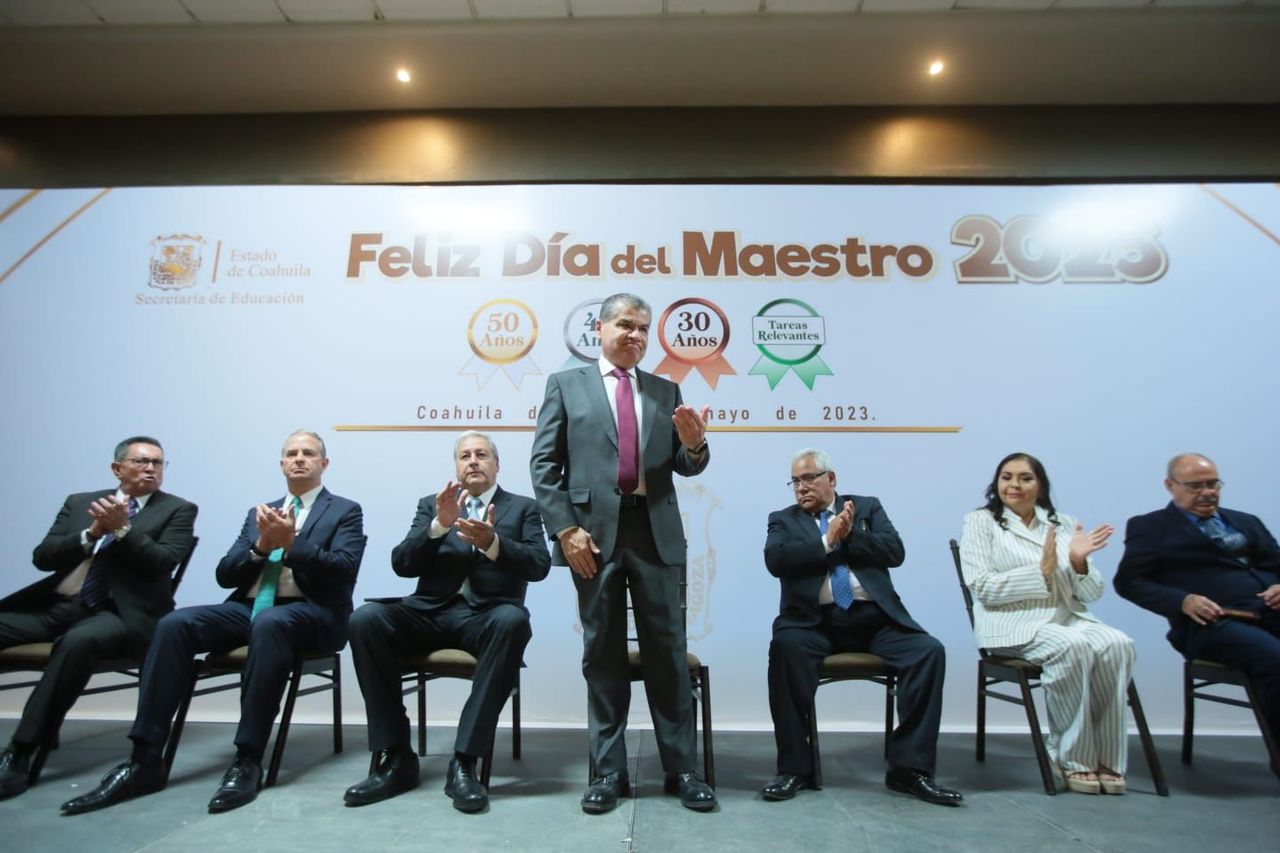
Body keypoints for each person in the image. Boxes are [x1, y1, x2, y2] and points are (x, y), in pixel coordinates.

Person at [60, 429, 365, 815]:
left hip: (312, 612)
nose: (299, 459)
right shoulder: (260, 512)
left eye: (308, 453)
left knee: (270, 624)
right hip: (250, 607)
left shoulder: (344, 510)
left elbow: (342, 569)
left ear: (324, 463)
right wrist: (261, 547)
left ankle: (248, 759)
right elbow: (225, 574)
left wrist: (292, 544)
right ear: (282, 464)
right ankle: (144, 759)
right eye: (292, 453)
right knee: (175, 624)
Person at [530, 292, 715, 813]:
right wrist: (565, 531)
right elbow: (544, 465)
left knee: (667, 652)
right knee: (603, 653)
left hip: (655, 533)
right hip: (591, 539)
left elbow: (686, 463)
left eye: (643, 329)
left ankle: (682, 770)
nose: (635, 335)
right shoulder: (565, 385)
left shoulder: (665, 388)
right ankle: (608, 772)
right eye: (626, 325)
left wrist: (695, 444)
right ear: (601, 328)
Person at [344, 431, 550, 813]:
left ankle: (465, 762)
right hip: (430, 613)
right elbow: (402, 564)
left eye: (481, 454)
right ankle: (396, 757)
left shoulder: (523, 508)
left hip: (486, 617)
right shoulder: (433, 505)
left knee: (513, 621)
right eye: (465, 456)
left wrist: (493, 543)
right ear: (456, 467)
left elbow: (539, 566)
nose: (473, 461)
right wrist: (438, 526)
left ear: (497, 464)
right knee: (365, 620)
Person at [0, 436, 196, 800]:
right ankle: (41, 729)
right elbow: (43, 557)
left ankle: (21, 751)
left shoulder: (177, 509)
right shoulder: (80, 503)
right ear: (117, 468)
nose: (151, 469)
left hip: (119, 614)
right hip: (57, 607)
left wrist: (122, 529)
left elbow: (162, 562)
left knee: (78, 642)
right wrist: (92, 533)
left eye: (158, 463)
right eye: (141, 461)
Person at [762, 448, 961, 806]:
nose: (801, 488)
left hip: (875, 620)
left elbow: (895, 552)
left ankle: (909, 769)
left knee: (928, 652)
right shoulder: (783, 519)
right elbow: (776, 560)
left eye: (808, 478)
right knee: (784, 650)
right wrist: (827, 541)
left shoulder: (866, 508)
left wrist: (850, 534)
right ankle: (795, 769)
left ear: (831, 478)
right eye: (795, 481)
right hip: (812, 622)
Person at [959, 452, 1133, 794]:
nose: (1014, 484)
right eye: (1007, 477)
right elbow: (982, 587)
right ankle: (1072, 757)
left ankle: (1108, 758)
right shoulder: (981, 522)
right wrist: (1040, 572)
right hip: (1011, 624)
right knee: (1072, 646)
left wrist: (1079, 562)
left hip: (1068, 617)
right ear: (997, 483)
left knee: (1118, 643)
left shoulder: (1063, 523)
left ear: (1040, 485)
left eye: (1025, 478)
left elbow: (1092, 593)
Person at [1115, 453, 1280, 765]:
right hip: (1211, 624)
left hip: (1269, 613)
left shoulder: (1247, 521)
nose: (1207, 493)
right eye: (1195, 486)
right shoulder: (1150, 527)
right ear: (1170, 485)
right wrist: (1182, 601)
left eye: (1213, 484)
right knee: (1275, 660)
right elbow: (1129, 582)